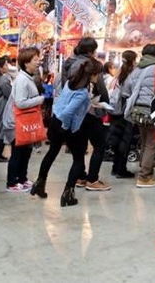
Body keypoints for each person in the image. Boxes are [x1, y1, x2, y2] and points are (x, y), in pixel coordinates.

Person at [31, 58, 104, 206]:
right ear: (92, 74)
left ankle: (40, 183)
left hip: (55, 121)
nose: (99, 77)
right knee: (78, 159)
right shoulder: (82, 92)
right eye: (98, 74)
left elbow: (66, 105)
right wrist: (65, 129)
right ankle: (68, 194)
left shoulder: (72, 83)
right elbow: (68, 113)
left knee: (52, 152)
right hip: (67, 126)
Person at [61, 37, 112, 192]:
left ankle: (80, 176)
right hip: (90, 110)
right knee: (99, 144)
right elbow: (101, 88)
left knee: (80, 146)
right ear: (91, 50)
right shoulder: (92, 64)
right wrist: (104, 106)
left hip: (73, 109)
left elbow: (65, 86)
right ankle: (92, 179)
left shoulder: (68, 63)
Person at [5, 47, 44, 192]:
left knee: (25, 151)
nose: (38, 62)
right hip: (18, 122)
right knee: (18, 152)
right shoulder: (22, 79)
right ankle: (12, 182)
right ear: (26, 63)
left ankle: (22, 178)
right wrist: (39, 100)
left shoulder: (27, 77)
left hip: (26, 122)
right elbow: (20, 102)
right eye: (35, 59)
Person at [123, 43, 155, 188]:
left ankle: (146, 169)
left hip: (137, 111)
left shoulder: (136, 69)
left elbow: (126, 90)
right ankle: (144, 176)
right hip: (152, 110)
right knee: (151, 144)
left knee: (144, 141)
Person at [106, 50, 137, 179]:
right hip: (125, 112)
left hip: (115, 111)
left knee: (117, 140)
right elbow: (128, 94)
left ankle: (115, 167)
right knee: (125, 141)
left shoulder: (119, 73)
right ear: (133, 61)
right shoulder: (131, 75)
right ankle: (121, 169)